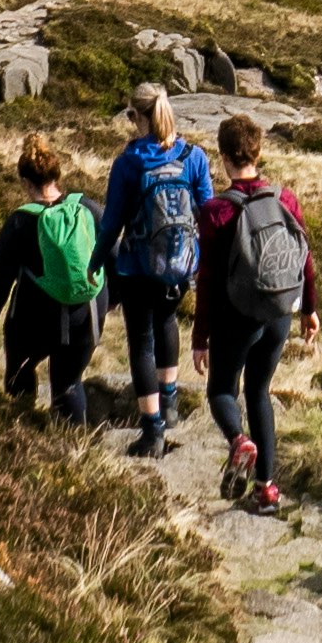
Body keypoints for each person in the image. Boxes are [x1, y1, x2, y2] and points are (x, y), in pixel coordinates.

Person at [198, 111, 322, 514]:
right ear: (258, 151)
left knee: (221, 390)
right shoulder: (284, 199)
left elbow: (209, 281)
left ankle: (239, 441)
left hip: (237, 316)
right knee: (259, 392)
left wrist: (200, 337)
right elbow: (304, 255)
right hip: (279, 311)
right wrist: (310, 310)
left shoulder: (216, 211)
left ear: (224, 157)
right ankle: (267, 491)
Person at [101, 85, 217, 459]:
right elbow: (208, 212)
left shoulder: (130, 162)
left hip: (138, 267)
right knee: (167, 323)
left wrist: (92, 264)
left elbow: (112, 223)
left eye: (131, 116)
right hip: (181, 266)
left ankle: (152, 432)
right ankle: (170, 406)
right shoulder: (193, 156)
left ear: (139, 117)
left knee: (142, 341)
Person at [0, 131, 102, 427]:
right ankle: (74, 453)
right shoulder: (88, 209)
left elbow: (1, 277)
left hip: (33, 320)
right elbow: (111, 255)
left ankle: (22, 438)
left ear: (25, 182)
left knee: (20, 373)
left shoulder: (19, 221)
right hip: (84, 317)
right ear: (57, 176)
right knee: (68, 384)